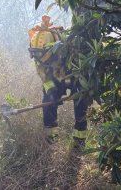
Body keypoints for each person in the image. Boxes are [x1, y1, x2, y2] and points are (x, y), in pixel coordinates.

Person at [28, 15, 88, 149]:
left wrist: (74, 90)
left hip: (74, 78)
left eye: (41, 53)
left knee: (80, 104)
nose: (38, 58)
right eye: (35, 53)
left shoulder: (69, 50)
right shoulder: (39, 56)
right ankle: (51, 139)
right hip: (56, 80)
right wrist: (51, 90)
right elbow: (44, 76)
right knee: (47, 103)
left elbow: (79, 69)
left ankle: (79, 141)